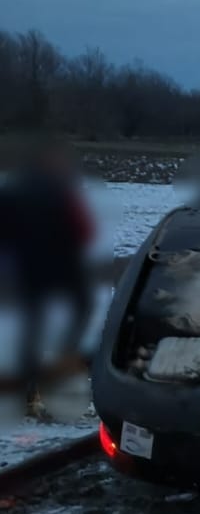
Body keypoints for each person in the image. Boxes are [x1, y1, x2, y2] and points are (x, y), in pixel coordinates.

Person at [1, 143, 96, 415]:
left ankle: (28, 392)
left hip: (27, 273)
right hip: (60, 270)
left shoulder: (12, 193)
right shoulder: (62, 195)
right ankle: (61, 372)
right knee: (80, 315)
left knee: (30, 331)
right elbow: (83, 231)